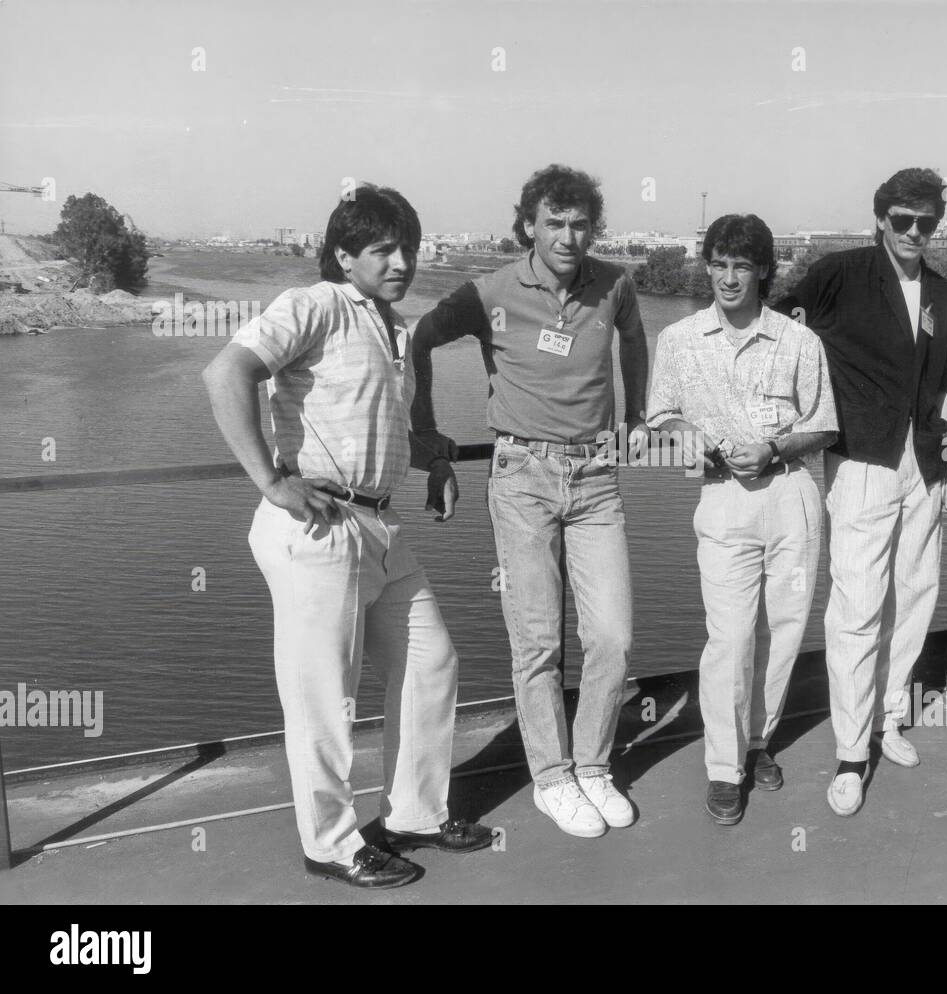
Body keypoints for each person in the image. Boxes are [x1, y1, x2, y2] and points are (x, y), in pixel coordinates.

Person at [201, 185, 490, 890]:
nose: (402, 262)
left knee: (432, 664)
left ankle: (415, 813)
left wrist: (436, 457)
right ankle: (330, 844)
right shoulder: (317, 304)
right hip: (320, 528)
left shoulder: (389, 326)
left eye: (408, 249)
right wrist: (271, 480)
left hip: (380, 526)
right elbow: (226, 372)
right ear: (343, 256)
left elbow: (380, 424)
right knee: (324, 699)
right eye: (383, 250)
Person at [410, 164, 648, 839]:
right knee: (537, 639)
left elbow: (633, 337)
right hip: (522, 477)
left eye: (580, 225)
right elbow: (419, 340)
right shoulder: (490, 291)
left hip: (597, 476)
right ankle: (551, 778)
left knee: (614, 635)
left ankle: (594, 766)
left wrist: (637, 413)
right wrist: (426, 433)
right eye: (554, 224)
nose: (568, 237)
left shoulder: (616, 285)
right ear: (527, 226)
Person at [774, 167, 947, 818]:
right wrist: (802, 419)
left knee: (914, 598)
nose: (914, 232)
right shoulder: (841, 273)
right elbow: (778, 335)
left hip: (926, 463)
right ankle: (851, 756)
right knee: (855, 606)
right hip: (861, 457)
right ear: (881, 218)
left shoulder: (941, 290)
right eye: (902, 219)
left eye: (926, 222)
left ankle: (887, 720)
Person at [646, 214, 838, 825]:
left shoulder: (800, 341)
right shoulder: (678, 339)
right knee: (728, 638)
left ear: (762, 271)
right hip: (723, 498)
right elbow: (659, 415)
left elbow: (826, 424)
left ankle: (759, 742)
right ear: (707, 266)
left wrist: (778, 449)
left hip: (791, 494)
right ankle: (724, 768)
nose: (730, 278)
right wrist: (683, 433)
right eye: (719, 264)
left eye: (743, 266)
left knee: (782, 632)